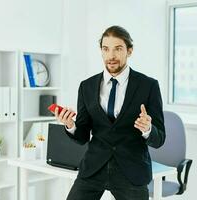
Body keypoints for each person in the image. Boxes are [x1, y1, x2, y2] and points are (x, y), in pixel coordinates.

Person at [54, 25, 165, 200]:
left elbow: (160, 139)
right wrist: (70, 125)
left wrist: (148, 129)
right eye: (106, 49)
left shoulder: (148, 86)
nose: (111, 56)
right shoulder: (87, 86)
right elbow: (82, 135)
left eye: (118, 49)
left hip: (131, 171)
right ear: (101, 51)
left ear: (130, 51)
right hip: (93, 168)